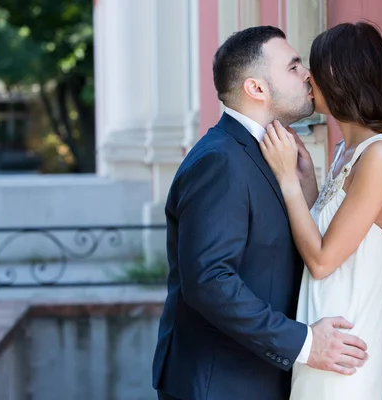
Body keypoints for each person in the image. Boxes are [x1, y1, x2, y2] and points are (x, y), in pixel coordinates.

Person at [152, 25, 368, 400]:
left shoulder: (268, 152)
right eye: (294, 66)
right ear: (257, 88)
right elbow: (209, 280)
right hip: (220, 383)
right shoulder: (220, 160)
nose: (308, 74)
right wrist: (303, 343)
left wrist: (305, 188)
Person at [260, 21, 382, 400]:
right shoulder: (347, 151)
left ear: (343, 77)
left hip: (346, 358)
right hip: (320, 345)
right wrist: (307, 178)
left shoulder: (381, 155)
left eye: (317, 66)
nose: (308, 76)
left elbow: (323, 261)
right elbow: (327, 241)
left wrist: (286, 180)